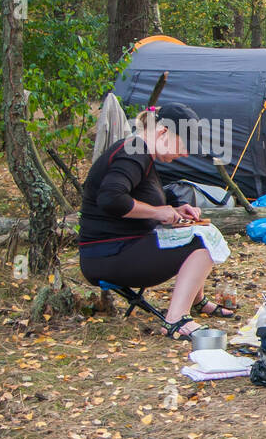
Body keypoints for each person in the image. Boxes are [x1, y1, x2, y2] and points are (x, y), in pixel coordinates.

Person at [78, 102, 236, 340]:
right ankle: (176, 320)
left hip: (116, 249)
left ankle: (196, 300)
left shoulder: (139, 153)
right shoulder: (132, 153)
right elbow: (111, 199)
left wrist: (173, 209)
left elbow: (140, 196)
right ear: (163, 132)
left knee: (201, 230)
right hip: (108, 255)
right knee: (201, 243)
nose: (184, 155)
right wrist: (157, 213)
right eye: (183, 147)